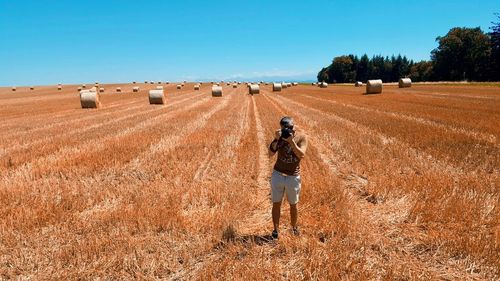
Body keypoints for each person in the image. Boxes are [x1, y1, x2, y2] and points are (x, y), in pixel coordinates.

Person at [268, 116, 308, 239]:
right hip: (278, 174)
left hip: (293, 176)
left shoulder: (301, 137)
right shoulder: (280, 138)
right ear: (281, 127)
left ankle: (294, 228)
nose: (288, 130)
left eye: (290, 128)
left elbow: (301, 155)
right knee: (276, 203)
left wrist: (291, 141)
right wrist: (276, 139)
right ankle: (275, 230)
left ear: (294, 126)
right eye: (285, 128)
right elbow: (270, 154)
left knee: (293, 204)